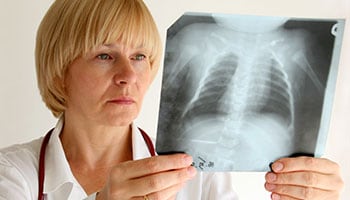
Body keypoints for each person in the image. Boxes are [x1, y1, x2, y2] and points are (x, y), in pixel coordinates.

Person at [0, 0, 343, 200]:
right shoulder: (14, 174)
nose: (128, 75)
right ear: (59, 71)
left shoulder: (201, 172)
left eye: (140, 57)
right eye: (105, 55)